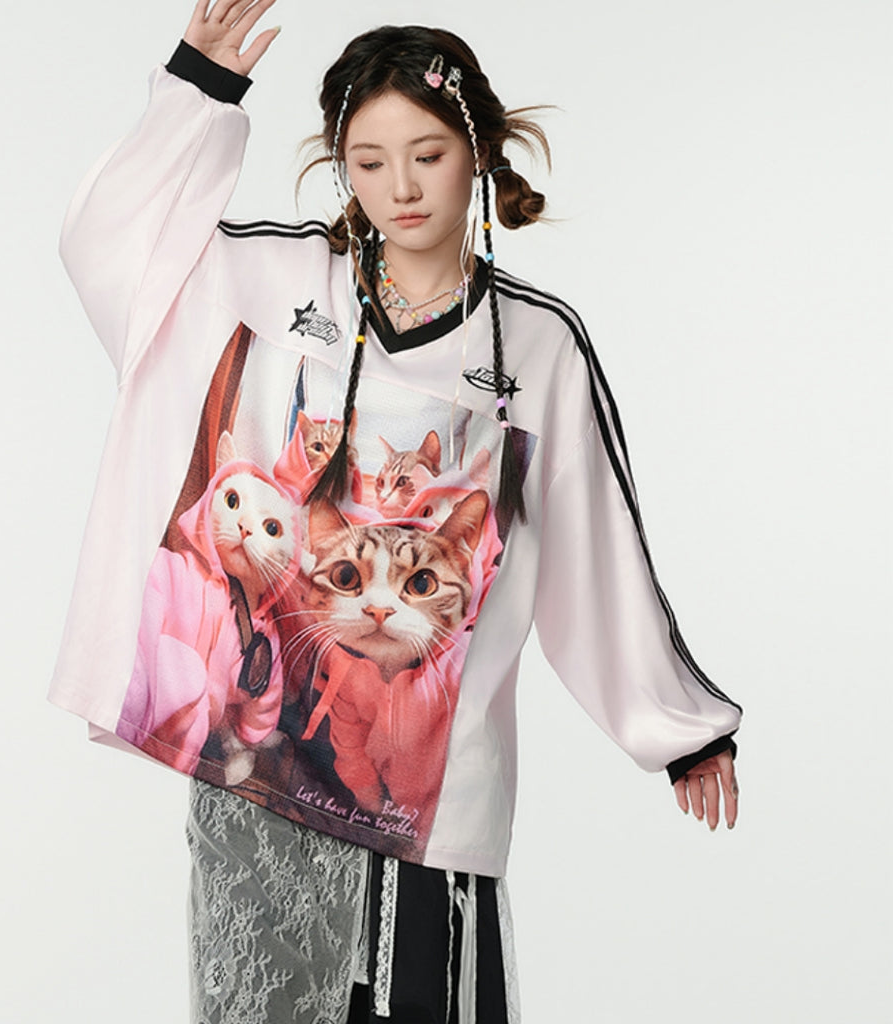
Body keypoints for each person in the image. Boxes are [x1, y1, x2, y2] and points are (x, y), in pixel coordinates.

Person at [51, 2, 742, 1021]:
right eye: (369, 162)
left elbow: (598, 548)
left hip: (433, 789)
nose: (401, 188)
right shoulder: (271, 280)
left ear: (478, 153)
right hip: (260, 779)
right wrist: (197, 93)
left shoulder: (535, 345)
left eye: (427, 154)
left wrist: (678, 728)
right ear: (342, 169)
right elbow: (114, 250)